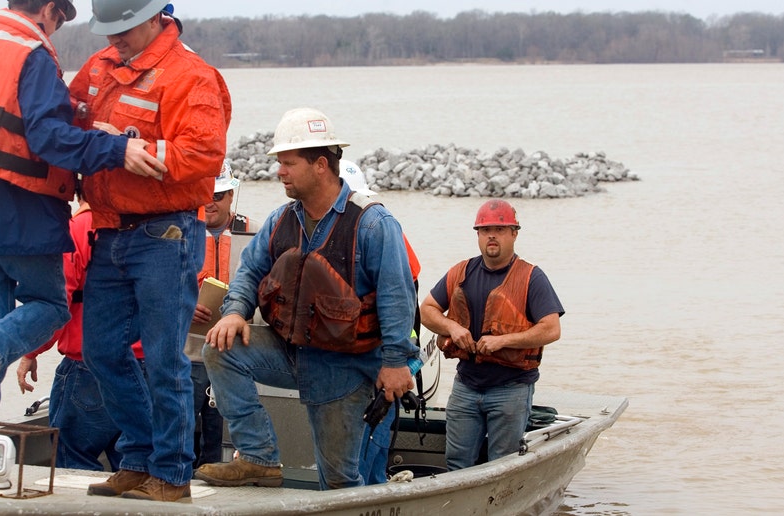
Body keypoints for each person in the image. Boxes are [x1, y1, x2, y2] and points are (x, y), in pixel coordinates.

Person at [0, 0, 167, 422]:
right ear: (48, 10)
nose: (57, 28)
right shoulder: (32, 55)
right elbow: (47, 138)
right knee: (48, 308)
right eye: (60, 17)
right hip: (18, 214)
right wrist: (116, 147)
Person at [195, 107, 417, 490]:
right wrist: (234, 313)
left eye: (287, 163)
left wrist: (396, 362)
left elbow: (398, 297)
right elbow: (249, 271)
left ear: (319, 165)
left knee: (338, 482)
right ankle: (257, 457)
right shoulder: (282, 220)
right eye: (279, 163)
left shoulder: (374, 224)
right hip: (291, 353)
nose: (279, 171)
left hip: (344, 370)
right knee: (220, 349)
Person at [69, 0, 232, 503]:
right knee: (99, 349)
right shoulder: (98, 68)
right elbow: (66, 120)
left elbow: (205, 153)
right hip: (110, 230)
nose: (114, 39)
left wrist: (133, 148)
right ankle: (138, 457)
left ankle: (172, 473)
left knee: (165, 358)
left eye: (123, 29)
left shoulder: (191, 75)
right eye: (108, 30)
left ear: (157, 17)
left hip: (166, 234)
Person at [419, 199, 564, 469]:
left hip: (511, 390)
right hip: (466, 386)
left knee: (503, 466)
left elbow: (551, 329)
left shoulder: (532, 277)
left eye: (500, 229)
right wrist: (452, 327)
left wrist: (504, 340)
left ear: (514, 233)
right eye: (486, 230)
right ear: (478, 235)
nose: (492, 236)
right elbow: (426, 310)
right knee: (456, 463)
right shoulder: (460, 272)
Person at [15, 200, 144, 471]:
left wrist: (32, 351)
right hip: (147, 367)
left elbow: (58, 304)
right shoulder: (152, 226)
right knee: (135, 464)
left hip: (91, 367)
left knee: (72, 456)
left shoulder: (81, 227)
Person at [339, 159, 423, 485]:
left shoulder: (383, 234)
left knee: (369, 449)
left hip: (379, 367)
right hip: (353, 367)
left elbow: (405, 308)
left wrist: (395, 363)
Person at [190, 160, 260, 468]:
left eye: (218, 195)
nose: (210, 201)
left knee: (227, 434)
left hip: (236, 355)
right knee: (184, 430)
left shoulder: (257, 234)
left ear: (232, 195)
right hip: (188, 354)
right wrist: (183, 305)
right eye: (204, 193)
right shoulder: (178, 233)